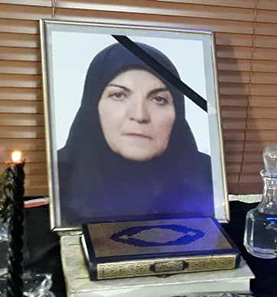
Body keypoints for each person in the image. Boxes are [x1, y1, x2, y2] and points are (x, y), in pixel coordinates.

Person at [57, 42, 214, 227]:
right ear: (93, 105)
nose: (140, 115)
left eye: (159, 99)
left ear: (178, 111)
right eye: (119, 95)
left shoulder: (208, 176)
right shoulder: (60, 175)